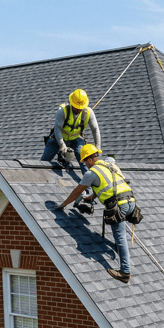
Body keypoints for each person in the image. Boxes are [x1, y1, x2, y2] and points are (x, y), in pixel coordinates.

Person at [52, 144, 137, 283]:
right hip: (131, 202)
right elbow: (110, 185)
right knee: (119, 233)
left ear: (90, 159)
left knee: (120, 237)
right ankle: (116, 247)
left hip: (119, 206)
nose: (85, 164)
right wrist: (92, 197)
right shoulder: (109, 165)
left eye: (85, 161)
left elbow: (77, 191)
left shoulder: (91, 173)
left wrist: (63, 205)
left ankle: (125, 273)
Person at [41, 88, 102, 166]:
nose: (79, 110)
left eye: (81, 108)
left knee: (84, 159)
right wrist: (62, 146)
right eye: (77, 108)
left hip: (76, 139)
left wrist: (98, 147)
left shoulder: (88, 113)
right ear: (72, 104)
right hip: (57, 138)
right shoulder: (62, 110)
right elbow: (57, 129)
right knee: (43, 162)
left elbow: (95, 129)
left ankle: (88, 177)